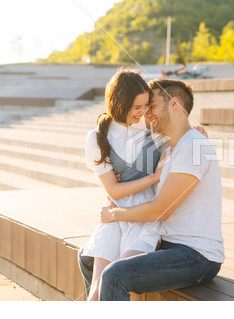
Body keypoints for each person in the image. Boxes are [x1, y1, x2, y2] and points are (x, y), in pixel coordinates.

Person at [79, 78, 224, 301]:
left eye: (152, 105)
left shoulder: (193, 146)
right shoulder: (173, 146)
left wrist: (113, 214)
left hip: (196, 255)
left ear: (174, 104)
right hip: (168, 245)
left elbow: (160, 211)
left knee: (114, 275)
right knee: (87, 256)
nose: (147, 113)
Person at [81, 69, 169, 301]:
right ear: (119, 103)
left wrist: (200, 134)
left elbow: (180, 136)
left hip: (145, 218)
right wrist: (152, 177)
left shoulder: (150, 127)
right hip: (114, 217)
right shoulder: (98, 137)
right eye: (136, 107)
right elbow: (114, 190)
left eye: (144, 106)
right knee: (96, 293)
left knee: (126, 285)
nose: (142, 113)